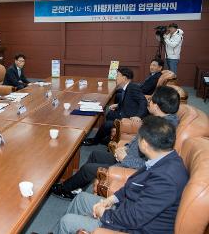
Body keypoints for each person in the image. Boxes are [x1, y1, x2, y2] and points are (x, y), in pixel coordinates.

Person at [55, 116, 188, 234]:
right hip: (126, 208)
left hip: (133, 228)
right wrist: (111, 199)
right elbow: (133, 186)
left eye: (139, 138)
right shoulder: (163, 159)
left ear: (145, 144)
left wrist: (104, 213)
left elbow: (135, 219)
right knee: (81, 198)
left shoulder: (166, 179)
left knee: (67, 222)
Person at [51, 85, 180, 199]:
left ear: (156, 106)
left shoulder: (163, 130)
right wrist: (125, 148)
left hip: (130, 165)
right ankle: (76, 187)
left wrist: (125, 158)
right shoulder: (161, 121)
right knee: (95, 155)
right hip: (129, 155)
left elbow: (151, 163)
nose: (148, 101)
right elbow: (139, 141)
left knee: (88, 169)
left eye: (151, 100)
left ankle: (64, 189)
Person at [83, 67, 147, 146]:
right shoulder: (127, 87)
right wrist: (117, 105)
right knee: (110, 114)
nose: (116, 78)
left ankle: (95, 141)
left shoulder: (132, 87)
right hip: (124, 112)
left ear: (124, 78)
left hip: (128, 117)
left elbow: (143, 101)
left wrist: (138, 116)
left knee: (106, 124)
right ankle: (108, 137)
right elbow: (128, 100)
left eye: (118, 75)